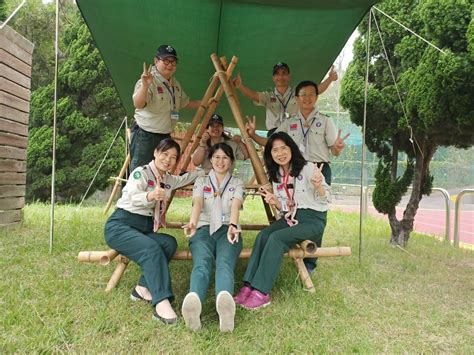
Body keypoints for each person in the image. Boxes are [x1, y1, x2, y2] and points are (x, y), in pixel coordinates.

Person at [246, 80, 349, 273]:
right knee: (291, 211)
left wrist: (338, 147)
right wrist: (252, 135)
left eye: (311, 94)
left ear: (316, 97)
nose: (307, 98)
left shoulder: (326, 121)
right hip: (294, 171)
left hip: (318, 170)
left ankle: (310, 260)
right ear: (296, 98)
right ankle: (287, 244)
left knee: (318, 213)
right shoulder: (289, 122)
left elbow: (334, 151)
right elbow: (272, 142)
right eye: (303, 95)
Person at [104, 138, 204, 325]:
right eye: (164, 154)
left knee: (168, 243)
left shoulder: (167, 179)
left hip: (143, 228)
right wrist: (150, 195)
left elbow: (184, 179)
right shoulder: (140, 173)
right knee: (151, 249)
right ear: (156, 153)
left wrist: (205, 171)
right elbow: (132, 196)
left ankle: (142, 289)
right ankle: (161, 302)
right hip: (120, 226)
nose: (168, 160)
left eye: (173, 158)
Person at [234, 132, 330, 309]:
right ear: (270, 154)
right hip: (292, 217)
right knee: (264, 235)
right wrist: (276, 202)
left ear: (291, 148)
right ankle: (248, 285)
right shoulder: (277, 174)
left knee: (276, 239)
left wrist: (319, 187)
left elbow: (327, 200)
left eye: (283, 148)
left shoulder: (308, 168)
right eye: (275, 150)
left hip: (313, 220)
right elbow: (285, 207)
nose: (280, 153)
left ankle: (261, 292)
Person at [181, 142, 245, 332]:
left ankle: (225, 306)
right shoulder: (201, 181)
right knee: (202, 262)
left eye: (225, 157)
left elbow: (235, 205)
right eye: (216, 157)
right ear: (210, 160)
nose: (220, 161)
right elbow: (198, 203)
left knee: (225, 262)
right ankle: (194, 303)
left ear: (231, 161)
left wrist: (233, 225)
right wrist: (193, 222)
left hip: (228, 229)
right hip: (203, 228)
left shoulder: (237, 183)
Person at [130, 44, 201, 171]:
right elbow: (138, 104)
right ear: (156, 61)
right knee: (140, 173)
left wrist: (206, 102)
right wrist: (145, 86)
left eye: (173, 62)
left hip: (165, 136)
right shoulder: (148, 79)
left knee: (160, 173)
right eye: (166, 61)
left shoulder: (175, 83)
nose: (170, 65)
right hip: (146, 135)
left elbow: (185, 103)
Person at [234, 62, 338, 136]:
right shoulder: (268, 96)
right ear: (273, 78)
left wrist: (330, 79)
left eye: (284, 73)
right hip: (274, 133)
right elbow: (253, 95)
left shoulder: (298, 93)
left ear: (289, 76)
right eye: (277, 74)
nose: (280, 76)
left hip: (294, 131)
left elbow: (316, 90)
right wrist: (240, 86)